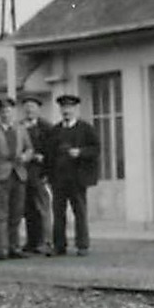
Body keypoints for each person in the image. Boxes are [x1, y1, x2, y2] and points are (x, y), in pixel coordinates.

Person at [48, 93, 99, 256]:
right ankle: (59, 246)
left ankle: (82, 245)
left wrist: (81, 152)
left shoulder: (85, 128)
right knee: (58, 213)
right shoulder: (55, 131)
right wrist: (48, 176)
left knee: (80, 211)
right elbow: (49, 155)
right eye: (63, 108)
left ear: (76, 109)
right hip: (58, 179)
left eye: (69, 107)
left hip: (78, 178)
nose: (66, 111)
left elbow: (96, 149)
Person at [0, 96, 31, 260]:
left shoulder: (21, 129)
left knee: (16, 214)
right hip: (0, 176)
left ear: (14, 112)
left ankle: (14, 247)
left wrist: (25, 156)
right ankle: (0, 250)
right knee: (0, 215)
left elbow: (30, 149)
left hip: (18, 174)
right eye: (2, 111)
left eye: (9, 111)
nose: (6, 114)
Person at [18, 94, 55, 255]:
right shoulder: (19, 127)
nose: (29, 110)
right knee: (28, 209)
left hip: (40, 172)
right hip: (23, 173)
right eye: (26, 107)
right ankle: (31, 242)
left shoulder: (47, 128)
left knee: (43, 207)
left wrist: (45, 162)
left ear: (38, 109)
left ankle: (46, 241)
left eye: (32, 107)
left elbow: (53, 150)